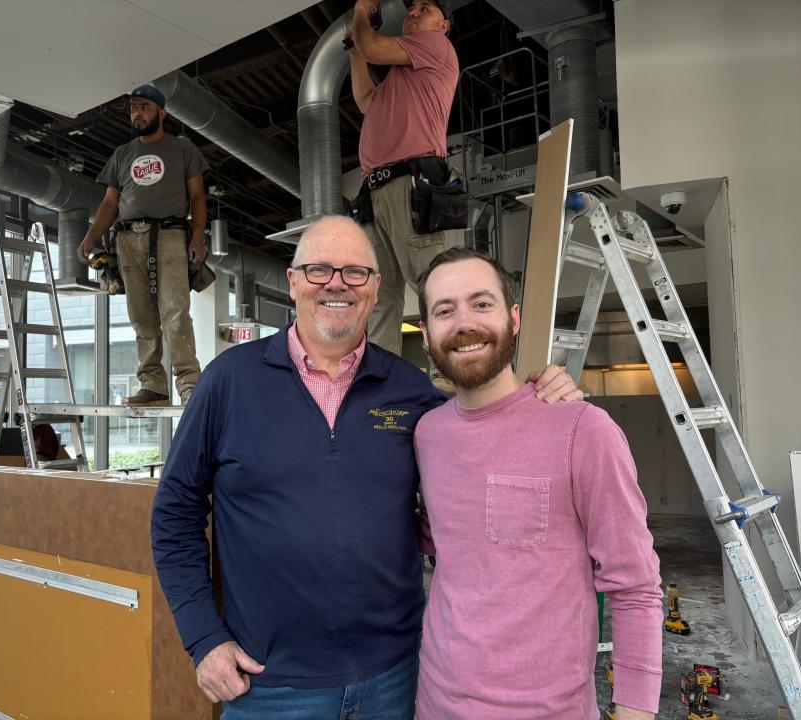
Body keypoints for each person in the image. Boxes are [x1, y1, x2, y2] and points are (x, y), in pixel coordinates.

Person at [151, 216, 582, 719]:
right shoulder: (227, 382)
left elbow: (487, 440)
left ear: (376, 291)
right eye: (318, 270)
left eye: (356, 272)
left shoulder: (412, 392)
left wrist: (542, 394)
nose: (336, 283)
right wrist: (204, 637)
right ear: (293, 283)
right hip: (269, 686)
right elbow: (174, 516)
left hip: (396, 677)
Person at [413, 246, 663, 720]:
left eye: (481, 304)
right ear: (426, 335)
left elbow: (635, 585)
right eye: (445, 310)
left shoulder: (582, 431)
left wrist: (636, 710)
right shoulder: (428, 434)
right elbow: (445, 537)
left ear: (514, 318)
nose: (464, 323)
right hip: (435, 703)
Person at [77, 84, 207, 406]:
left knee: (175, 311)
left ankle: (189, 383)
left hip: (169, 235)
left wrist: (197, 237)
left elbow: (198, 197)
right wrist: (91, 236)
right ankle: (153, 385)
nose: (137, 113)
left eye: (145, 107)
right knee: (140, 316)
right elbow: (110, 203)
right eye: (134, 108)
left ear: (162, 113)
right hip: (126, 239)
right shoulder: (122, 154)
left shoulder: (182, 149)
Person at [348, 0, 458, 356]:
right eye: (412, 8)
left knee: (434, 289)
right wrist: (354, 50)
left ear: (443, 26)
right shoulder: (402, 78)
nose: (414, 11)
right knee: (379, 298)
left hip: (408, 181)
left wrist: (363, 12)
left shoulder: (436, 46)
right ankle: (383, 396)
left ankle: (463, 385)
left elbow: (373, 46)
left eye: (425, 8)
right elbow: (366, 98)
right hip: (376, 190)